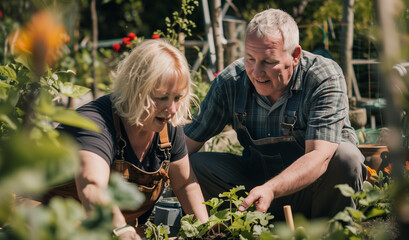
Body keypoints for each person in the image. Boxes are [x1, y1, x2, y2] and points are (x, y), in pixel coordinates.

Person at [184, 8, 367, 221]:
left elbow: (320, 157)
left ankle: (328, 231)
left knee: (346, 157)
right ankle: (239, 229)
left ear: (295, 55)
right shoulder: (231, 82)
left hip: (314, 193)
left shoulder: (322, 77)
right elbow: (185, 144)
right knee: (194, 165)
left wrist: (271, 189)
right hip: (256, 192)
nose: (256, 72)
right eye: (250, 59)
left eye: (269, 62)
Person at [55, 39, 209, 239]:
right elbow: (92, 186)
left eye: (177, 98)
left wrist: (207, 231)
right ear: (135, 90)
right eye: (161, 97)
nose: (172, 109)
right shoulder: (95, 123)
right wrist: (121, 229)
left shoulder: (166, 128)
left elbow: (185, 184)